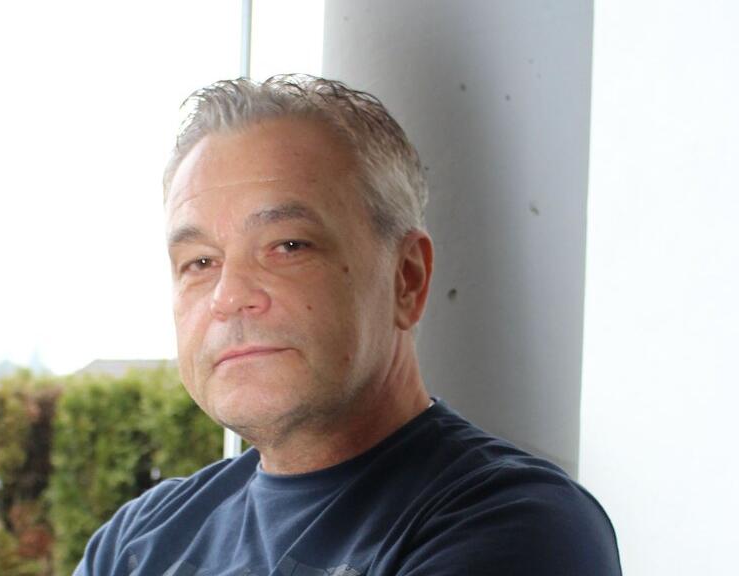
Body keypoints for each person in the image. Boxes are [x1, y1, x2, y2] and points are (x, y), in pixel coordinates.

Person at [74, 74, 621, 575]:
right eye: (199, 262)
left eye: (288, 246)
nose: (229, 296)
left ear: (407, 279)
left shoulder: (517, 526)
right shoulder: (137, 540)